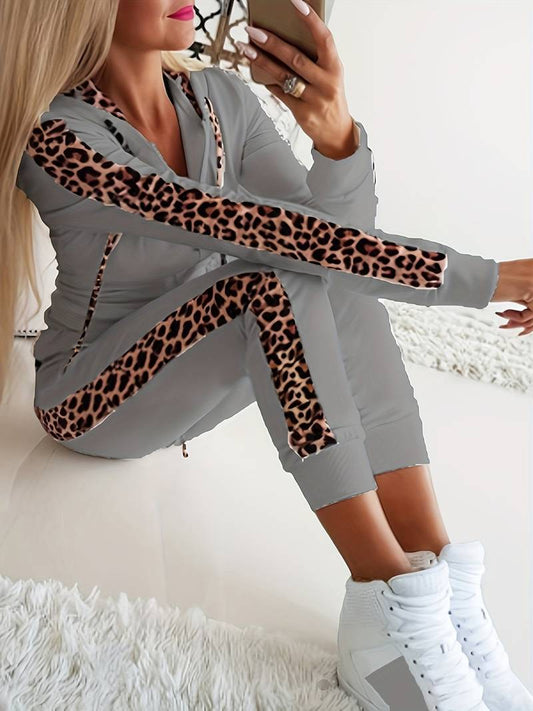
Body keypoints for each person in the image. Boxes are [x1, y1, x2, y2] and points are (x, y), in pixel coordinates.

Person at [3, 0, 533, 708]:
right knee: (270, 280)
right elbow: (254, 228)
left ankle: (432, 577)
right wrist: (489, 278)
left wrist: (336, 138)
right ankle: (382, 595)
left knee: (320, 275)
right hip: (93, 396)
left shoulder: (217, 97)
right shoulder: (59, 135)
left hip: (203, 367)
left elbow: (332, 248)